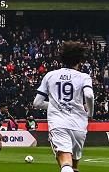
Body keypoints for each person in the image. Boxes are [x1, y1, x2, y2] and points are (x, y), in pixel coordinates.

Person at [34, 41, 94, 172]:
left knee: (65, 163)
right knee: (74, 166)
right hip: (79, 125)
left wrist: (56, 104)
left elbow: (37, 103)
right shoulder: (84, 77)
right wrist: (90, 112)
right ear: (80, 59)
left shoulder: (50, 75)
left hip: (59, 123)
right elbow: (89, 95)